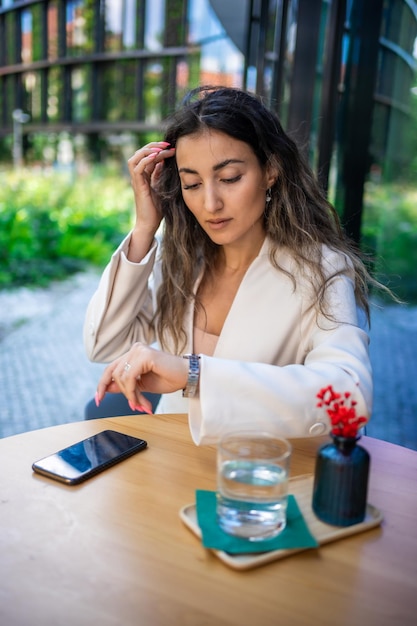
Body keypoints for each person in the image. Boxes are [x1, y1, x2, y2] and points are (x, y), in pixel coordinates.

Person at [84, 85, 374, 445]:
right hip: (170, 464)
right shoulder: (180, 262)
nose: (210, 203)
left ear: (270, 170)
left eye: (230, 178)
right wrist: (145, 228)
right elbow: (104, 345)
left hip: (258, 479)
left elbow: (348, 394)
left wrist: (194, 374)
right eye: (192, 183)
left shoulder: (321, 270)